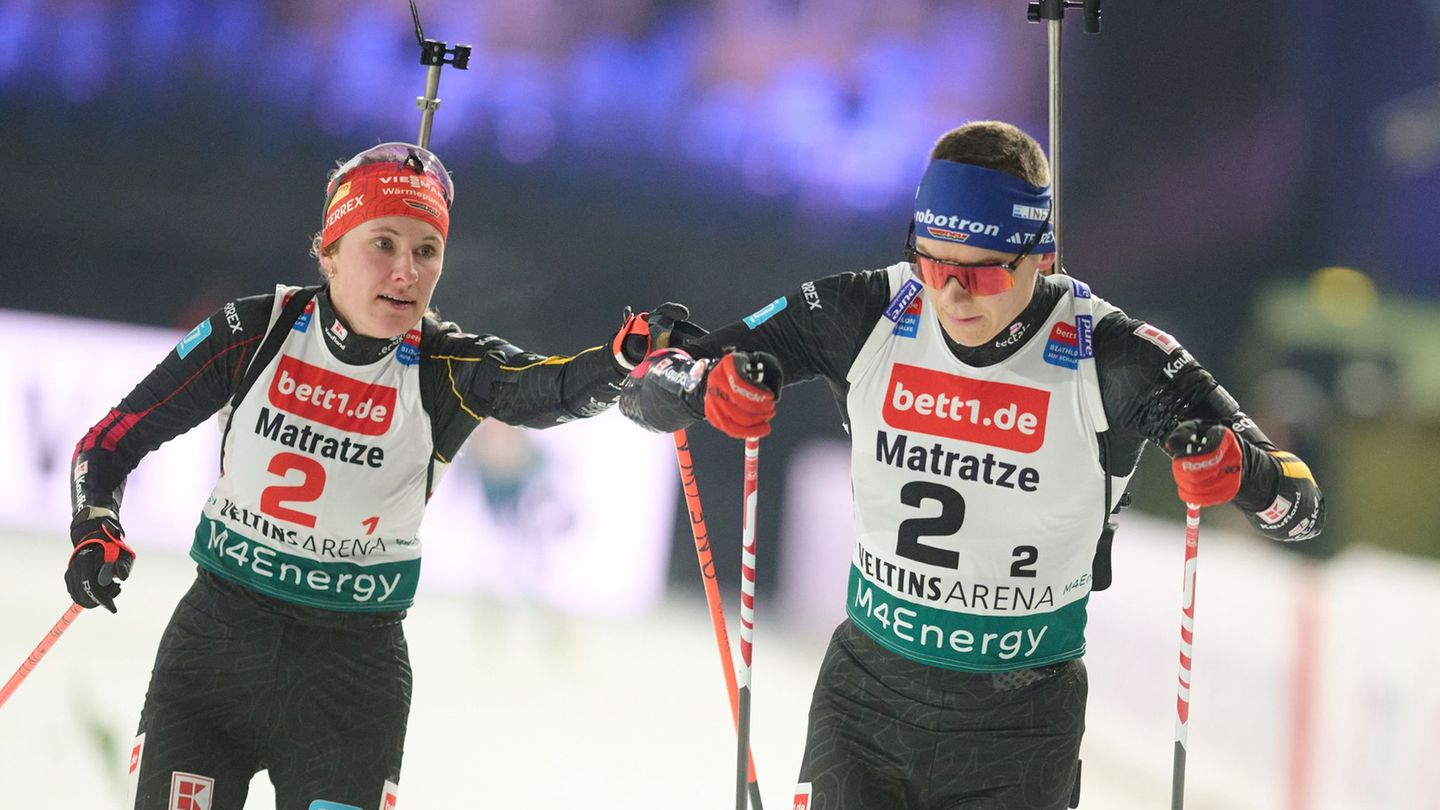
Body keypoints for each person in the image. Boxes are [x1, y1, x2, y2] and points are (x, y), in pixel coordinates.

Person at [619, 120, 1325, 809]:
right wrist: (703, 389)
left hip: (1019, 728)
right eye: (933, 264)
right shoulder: (867, 310)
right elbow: (649, 383)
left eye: (982, 274)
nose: (951, 294)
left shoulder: (1114, 356)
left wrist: (1242, 472)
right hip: (865, 706)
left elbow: (1300, 509)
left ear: (1040, 255)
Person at [63, 141, 692, 810]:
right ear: (330, 250)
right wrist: (94, 524)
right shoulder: (257, 329)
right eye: (383, 243)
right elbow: (111, 440)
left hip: (350, 683)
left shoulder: (446, 365)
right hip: (216, 655)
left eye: (427, 250)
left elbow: (550, 388)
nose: (405, 271)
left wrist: (623, 358)